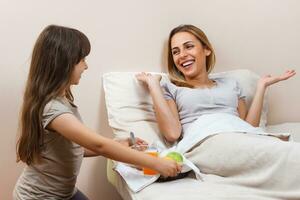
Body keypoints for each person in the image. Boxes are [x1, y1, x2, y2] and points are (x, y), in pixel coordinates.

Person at [13, 25, 181, 200]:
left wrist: (119, 143)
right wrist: (157, 163)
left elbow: (75, 147)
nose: (86, 66)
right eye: (82, 60)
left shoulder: (61, 101)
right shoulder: (53, 109)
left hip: (65, 194)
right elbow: (98, 145)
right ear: (64, 63)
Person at [136, 24, 300, 198]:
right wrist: (154, 85)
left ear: (206, 49)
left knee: (279, 152)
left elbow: (248, 127)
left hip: (240, 135)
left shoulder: (232, 83)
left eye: (189, 46)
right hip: (206, 141)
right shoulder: (172, 88)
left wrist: (261, 87)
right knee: (286, 156)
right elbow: (172, 133)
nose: (182, 55)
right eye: (175, 52)